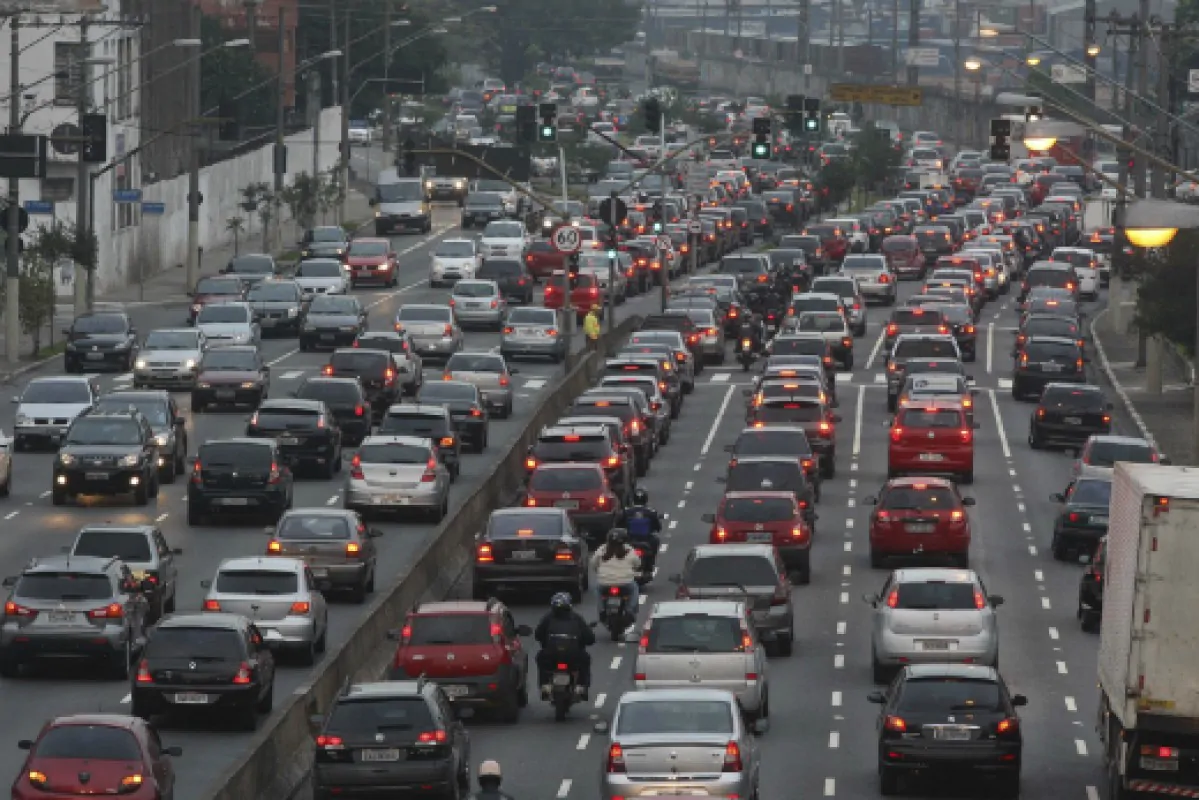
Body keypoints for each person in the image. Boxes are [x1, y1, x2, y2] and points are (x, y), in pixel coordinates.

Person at [534, 592, 595, 699]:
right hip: (574, 655)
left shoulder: (547, 618)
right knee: (585, 660)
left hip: (551, 655)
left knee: (541, 658)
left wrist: (546, 644)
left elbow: (538, 635)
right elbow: (590, 638)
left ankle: (545, 684)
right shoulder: (577, 618)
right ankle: (581, 685)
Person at [590, 527, 641, 621]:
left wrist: (599, 571)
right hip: (625, 583)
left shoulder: (602, 549)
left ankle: (601, 610)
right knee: (634, 589)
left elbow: (593, 563)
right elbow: (637, 563)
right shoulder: (629, 549)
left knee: (597, 590)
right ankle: (630, 609)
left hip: (604, 583)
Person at [620, 488, 662, 574]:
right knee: (656, 541)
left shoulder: (626, 512)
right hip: (646, 541)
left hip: (630, 540)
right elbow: (658, 527)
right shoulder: (651, 512)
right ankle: (650, 564)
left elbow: (619, 525)